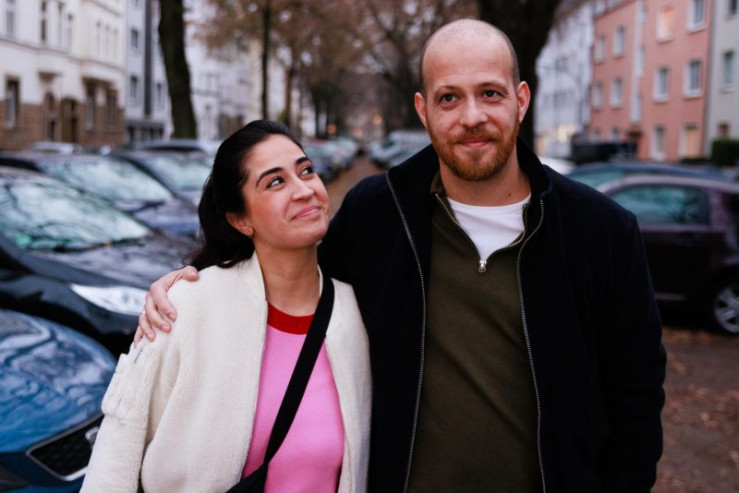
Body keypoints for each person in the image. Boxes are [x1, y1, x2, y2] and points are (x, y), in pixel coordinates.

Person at [137, 19, 665, 492]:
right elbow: (291, 283)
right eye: (449, 98)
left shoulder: (601, 231)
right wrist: (192, 284)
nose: (472, 116)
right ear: (423, 109)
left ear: (521, 100)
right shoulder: (378, 213)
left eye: (490, 93)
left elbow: (636, 396)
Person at [82, 120, 371, 492]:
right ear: (240, 219)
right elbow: (116, 453)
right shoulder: (186, 307)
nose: (304, 190)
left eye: (306, 171)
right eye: (276, 182)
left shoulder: (356, 313)